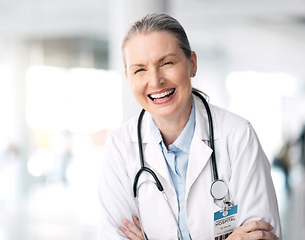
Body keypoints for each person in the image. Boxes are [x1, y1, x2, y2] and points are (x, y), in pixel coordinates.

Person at [99, 13, 282, 240]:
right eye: (140, 69)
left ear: (192, 64)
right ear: (128, 77)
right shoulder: (120, 147)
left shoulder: (237, 136)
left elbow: (262, 235)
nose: (155, 81)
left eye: (166, 63)